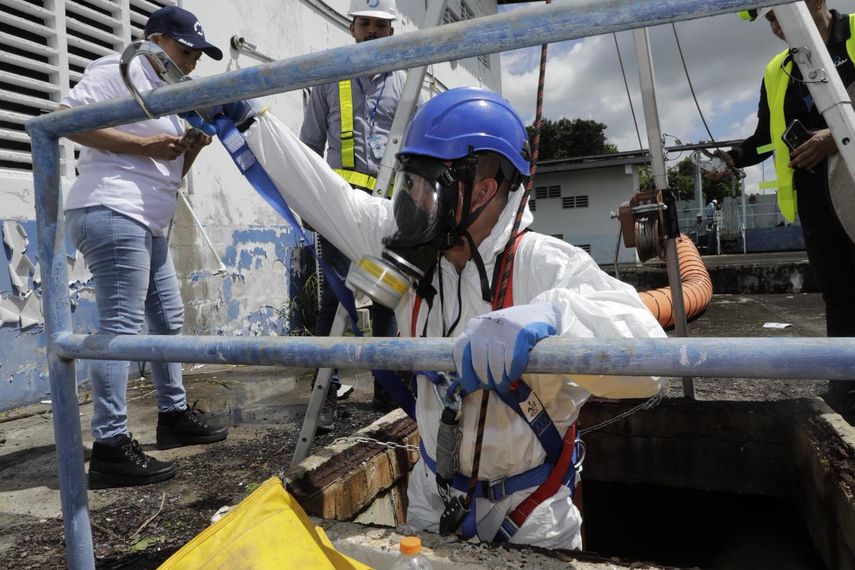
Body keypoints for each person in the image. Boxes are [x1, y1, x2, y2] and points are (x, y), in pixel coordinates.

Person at [216, 87, 666, 548]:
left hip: (530, 511)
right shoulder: (417, 249)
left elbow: (650, 364)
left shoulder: (546, 265)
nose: (411, 200)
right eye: (409, 182)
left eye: (424, 185)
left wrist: (555, 315)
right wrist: (249, 120)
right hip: (433, 493)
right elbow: (328, 197)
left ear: (482, 190)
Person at [59, 5, 228, 489]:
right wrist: (143, 147)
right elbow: (65, 121)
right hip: (113, 210)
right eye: (185, 48)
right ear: (154, 39)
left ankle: (172, 417)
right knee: (120, 328)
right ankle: (110, 446)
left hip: (147, 220)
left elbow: (167, 175)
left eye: (198, 53)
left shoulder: (167, 95)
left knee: (167, 320)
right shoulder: (122, 69)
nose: (193, 59)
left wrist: (191, 145)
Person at [713, 1, 855, 422]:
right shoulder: (778, 69)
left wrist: (836, 135)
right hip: (815, 198)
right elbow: (763, 138)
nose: (776, 26)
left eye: (779, 13)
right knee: (840, 296)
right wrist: (730, 159)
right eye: (770, 19)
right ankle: (845, 390)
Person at [299, 0, 404, 432]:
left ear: (391, 32)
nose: (374, 32)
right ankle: (325, 389)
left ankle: (387, 386)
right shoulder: (330, 77)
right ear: (352, 28)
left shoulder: (407, 81)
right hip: (340, 200)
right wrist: (307, 203)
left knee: (385, 295)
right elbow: (308, 145)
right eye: (367, 24)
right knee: (336, 298)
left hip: (389, 205)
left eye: (381, 25)